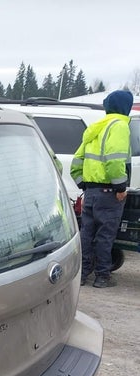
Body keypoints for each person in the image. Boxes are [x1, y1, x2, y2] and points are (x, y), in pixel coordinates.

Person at [71, 89, 133, 288]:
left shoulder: (96, 128)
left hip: (91, 192)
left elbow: (76, 161)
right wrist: (120, 187)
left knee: (87, 234)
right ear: (127, 107)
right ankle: (102, 276)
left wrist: (83, 184)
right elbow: (115, 160)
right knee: (105, 235)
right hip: (109, 193)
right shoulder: (120, 126)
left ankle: (82, 274)